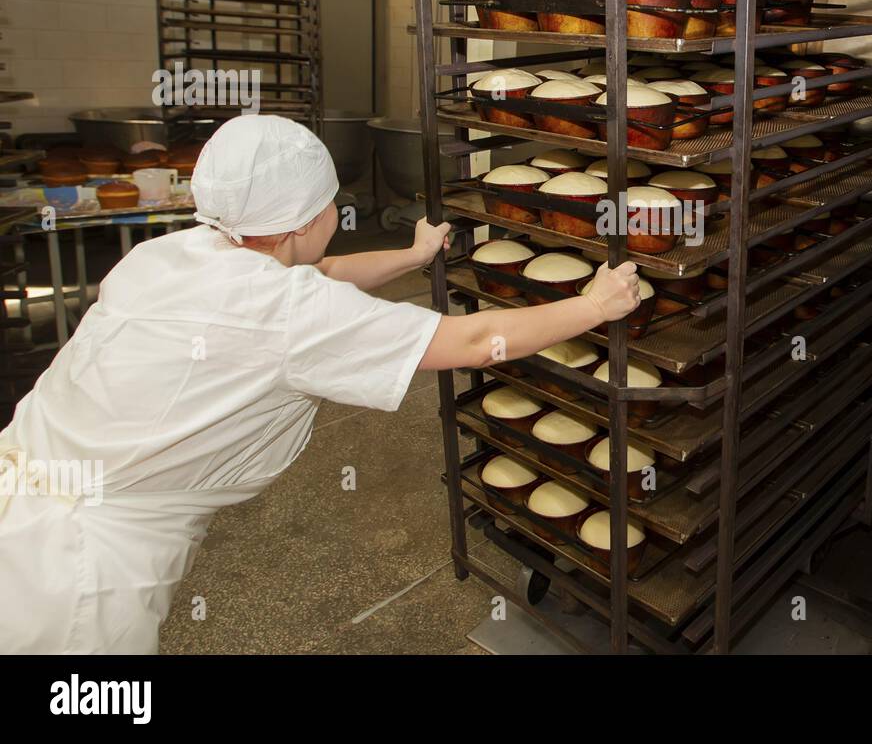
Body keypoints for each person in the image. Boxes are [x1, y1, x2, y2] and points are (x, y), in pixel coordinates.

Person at [0, 114, 639, 653]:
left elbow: (317, 273)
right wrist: (592, 306)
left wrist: (412, 258)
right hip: (79, 570)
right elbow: (470, 342)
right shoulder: (286, 314)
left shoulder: (173, 254)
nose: (338, 211)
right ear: (303, 221)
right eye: (330, 201)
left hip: (18, 493)